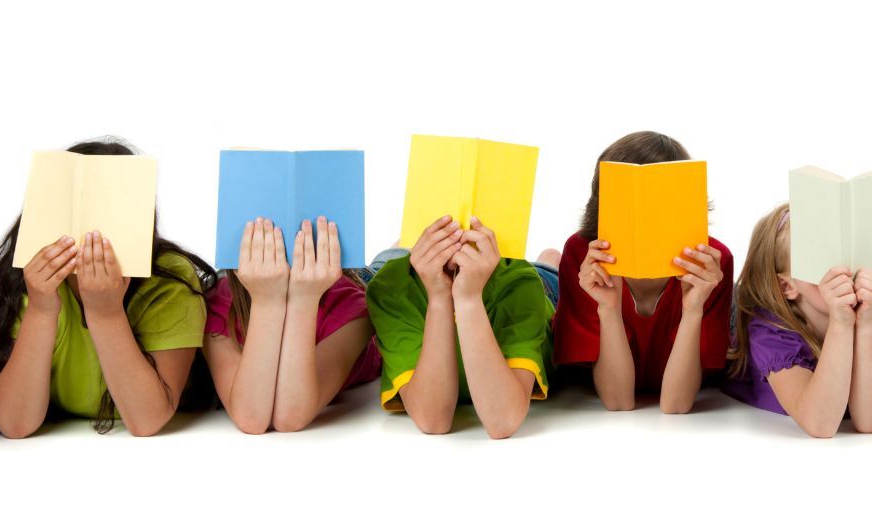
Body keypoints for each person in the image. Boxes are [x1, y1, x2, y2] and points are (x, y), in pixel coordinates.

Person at [0, 138, 216, 439]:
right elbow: (15, 424)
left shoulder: (169, 281)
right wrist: (40, 309)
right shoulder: (27, 280)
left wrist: (107, 313)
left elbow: (146, 420)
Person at [553, 131, 733, 413]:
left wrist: (693, 310)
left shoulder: (712, 262)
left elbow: (675, 406)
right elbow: (618, 402)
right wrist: (608, 308)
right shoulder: (582, 253)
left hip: (722, 310)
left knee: (745, 309)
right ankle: (548, 262)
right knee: (545, 281)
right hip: (559, 287)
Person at [366, 216, 556, 439]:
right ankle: (399, 248)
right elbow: (433, 421)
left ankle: (550, 260)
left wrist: (469, 298)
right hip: (411, 272)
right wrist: (439, 296)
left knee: (548, 267)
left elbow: (502, 421)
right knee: (392, 260)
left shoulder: (521, 283)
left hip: (546, 289)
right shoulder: (391, 288)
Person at [202, 216, 380, 433]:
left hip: (362, 281)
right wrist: (267, 300)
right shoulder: (218, 303)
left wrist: (304, 298)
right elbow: (251, 418)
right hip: (242, 286)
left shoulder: (352, 307)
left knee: (391, 261)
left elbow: (290, 416)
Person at [724, 204, 872, 437]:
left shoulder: (867, 309)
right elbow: (820, 424)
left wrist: (865, 325)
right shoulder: (771, 334)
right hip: (731, 320)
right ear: (787, 285)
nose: (843, 271)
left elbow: (867, 422)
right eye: (821, 262)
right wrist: (841, 323)